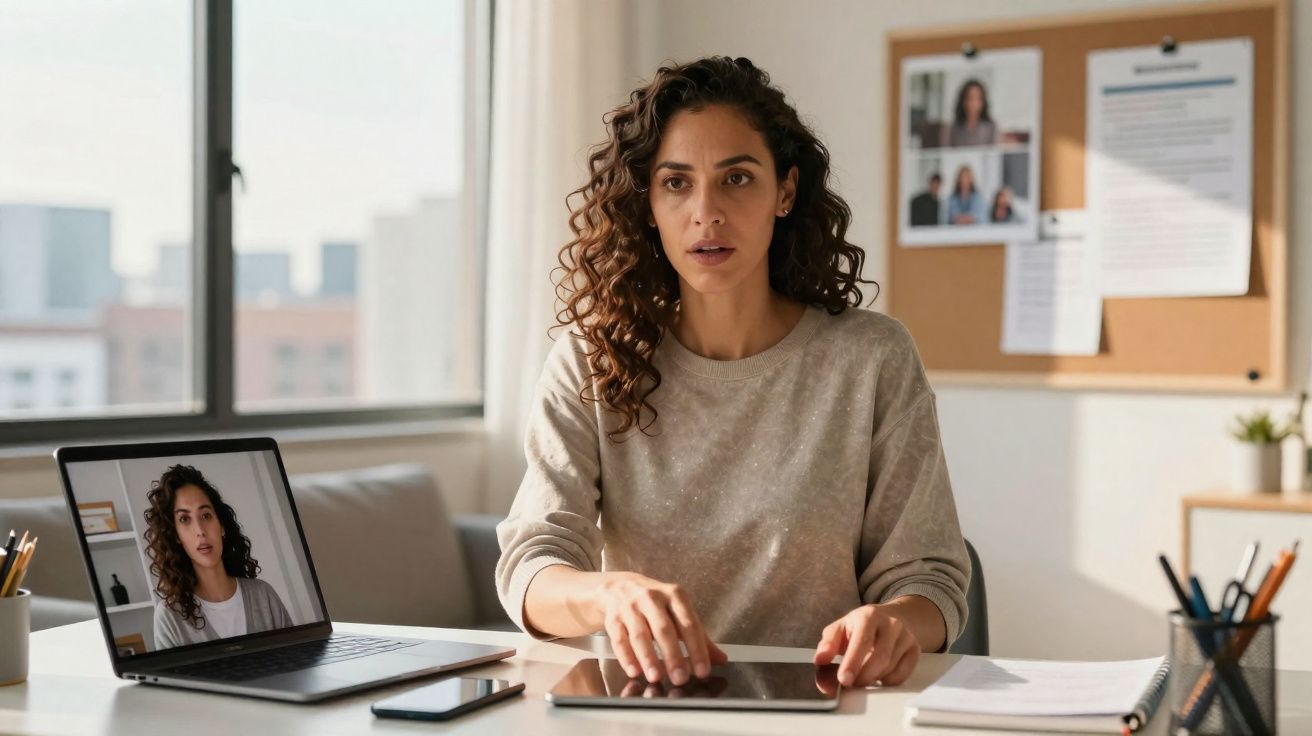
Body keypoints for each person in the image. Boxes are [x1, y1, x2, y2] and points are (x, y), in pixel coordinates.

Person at [495, 56, 969, 692]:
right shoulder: (592, 358)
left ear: (786, 192)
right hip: (642, 712)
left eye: (737, 178)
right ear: (649, 204)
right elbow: (532, 566)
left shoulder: (872, 358)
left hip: (828, 710)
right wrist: (610, 596)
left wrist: (893, 622)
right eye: (676, 183)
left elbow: (929, 579)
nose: (706, 212)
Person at [144, 464, 292, 649]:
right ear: (176, 537)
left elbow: (298, 662)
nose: (200, 531)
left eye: (206, 515)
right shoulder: (170, 617)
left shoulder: (263, 595)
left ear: (221, 525)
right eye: (184, 519)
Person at [948, 79, 997, 147]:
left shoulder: (991, 127)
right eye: (970, 98)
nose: (973, 103)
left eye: (977, 98)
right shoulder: (953, 128)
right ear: (963, 101)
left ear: (983, 102)